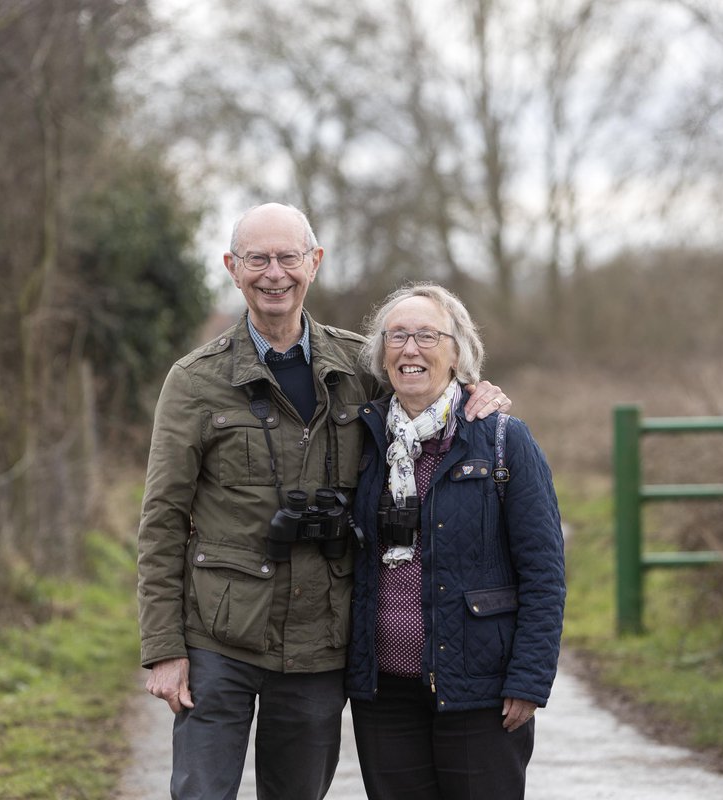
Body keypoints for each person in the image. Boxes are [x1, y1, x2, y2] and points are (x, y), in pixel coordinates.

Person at [136, 203, 511, 800]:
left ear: (314, 263)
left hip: (319, 640)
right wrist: (162, 649)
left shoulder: (359, 366)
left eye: (288, 257)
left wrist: (476, 394)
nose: (273, 273)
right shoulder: (194, 380)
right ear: (233, 269)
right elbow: (161, 520)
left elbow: (426, 387)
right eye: (257, 259)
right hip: (217, 636)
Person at [345, 282, 566, 800]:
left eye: (427, 335)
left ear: (458, 352)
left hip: (481, 691)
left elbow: (544, 572)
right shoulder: (365, 439)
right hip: (385, 694)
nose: (410, 348)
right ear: (381, 355)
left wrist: (529, 680)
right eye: (396, 336)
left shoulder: (502, 438)